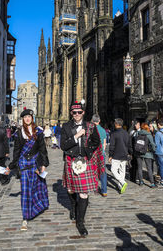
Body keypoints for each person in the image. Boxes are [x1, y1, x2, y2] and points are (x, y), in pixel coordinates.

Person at [61, 101, 104, 237]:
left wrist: (89, 151)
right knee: (70, 189)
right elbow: (63, 145)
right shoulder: (66, 126)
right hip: (71, 161)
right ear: (71, 113)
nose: (77, 114)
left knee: (84, 193)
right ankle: (73, 206)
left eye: (79, 112)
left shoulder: (90, 126)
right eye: (74, 112)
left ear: (83, 113)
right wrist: (76, 136)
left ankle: (80, 222)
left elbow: (96, 141)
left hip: (85, 162)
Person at [6, 109, 49, 231]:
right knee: (25, 191)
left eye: (29, 116)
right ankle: (25, 218)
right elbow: (17, 151)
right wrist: (11, 166)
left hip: (36, 164)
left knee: (37, 187)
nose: (27, 119)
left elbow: (42, 149)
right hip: (24, 164)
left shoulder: (39, 132)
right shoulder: (19, 133)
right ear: (23, 119)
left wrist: (44, 164)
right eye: (25, 117)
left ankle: (38, 207)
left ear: (32, 118)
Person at [109, 118, 133, 194]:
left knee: (113, 170)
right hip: (125, 154)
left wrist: (110, 155)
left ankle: (122, 182)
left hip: (116, 155)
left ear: (116, 124)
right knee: (122, 171)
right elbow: (129, 145)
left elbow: (112, 146)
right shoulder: (126, 133)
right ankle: (120, 186)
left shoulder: (114, 133)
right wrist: (130, 153)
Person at [135, 123, 156, 188]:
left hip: (139, 152)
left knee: (139, 167)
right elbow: (152, 144)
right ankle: (152, 183)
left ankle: (141, 181)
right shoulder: (149, 135)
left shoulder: (138, 133)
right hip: (147, 153)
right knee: (149, 168)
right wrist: (154, 150)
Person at [91, 114, 107, 197]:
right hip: (101, 153)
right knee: (102, 171)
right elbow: (104, 144)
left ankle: (95, 188)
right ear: (99, 121)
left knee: (93, 171)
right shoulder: (103, 130)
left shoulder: (91, 130)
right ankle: (104, 190)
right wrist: (103, 152)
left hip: (93, 153)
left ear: (92, 121)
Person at [155, 118, 163, 187]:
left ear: (158, 125)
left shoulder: (158, 133)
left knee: (161, 166)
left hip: (160, 152)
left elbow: (156, 144)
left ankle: (162, 180)